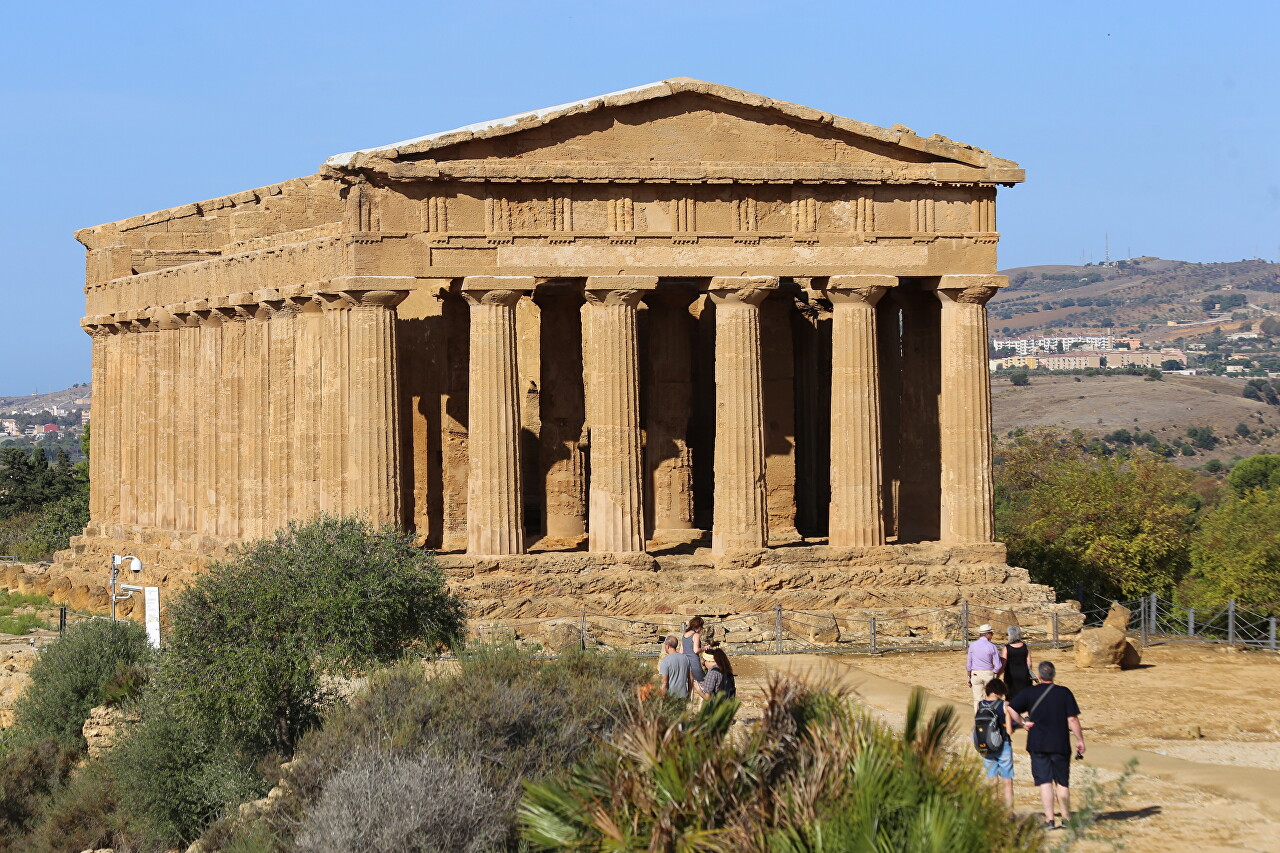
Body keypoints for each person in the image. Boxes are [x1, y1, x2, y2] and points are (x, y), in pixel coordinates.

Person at [1009, 660, 1086, 831]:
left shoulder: (1030, 692)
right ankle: (1066, 818)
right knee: (1062, 783)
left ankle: (1049, 819)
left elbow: (1012, 709)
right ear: (1053, 674)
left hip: (1038, 743)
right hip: (1060, 743)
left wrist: (1023, 723)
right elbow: (1072, 719)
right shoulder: (1064, 693)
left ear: (1040, 675)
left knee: (1045, 782)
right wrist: (1080, 740)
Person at [977, 678, 1028, 812]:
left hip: (986, 747)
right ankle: (1009, 813)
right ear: (999, 692)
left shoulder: (980, 705)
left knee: (992, 782)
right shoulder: (1004, 705)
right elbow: (1010, 730)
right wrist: (1022, 724)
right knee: (1007, 782)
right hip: (1003, 745)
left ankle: (992, 813)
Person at [966, 623, 1003, 709]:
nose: (992, 635)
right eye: (991, 634)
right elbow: (998, 665)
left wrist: (968, 676)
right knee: (991, 697)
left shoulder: (972, 645)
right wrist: (995, 673)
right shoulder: (992, 646)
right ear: (988, 634)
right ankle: (990, 716)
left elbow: (968, 664)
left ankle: (978, 718)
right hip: (988, 673)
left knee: (977, 699)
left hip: (975, 673)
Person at [1001, 625, 1035, 702]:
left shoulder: (1006, 648)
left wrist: (999, 673)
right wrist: (1029, 673)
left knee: (1010, 698)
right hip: (1023, 674)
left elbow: (1003, 663)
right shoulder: (1025, 647)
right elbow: (1029, 663)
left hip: (1010, 675)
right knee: (1025, 697)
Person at [658, 635, 693, 699]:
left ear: (667, 646)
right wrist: (690, 694)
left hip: (671, 697)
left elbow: (664, 682)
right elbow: (691, 678)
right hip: (684, 695)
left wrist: (663, 697)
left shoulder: (665, 661)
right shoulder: (686, 658)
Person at [682, 616, 706, 683]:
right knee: (702, 682)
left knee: (690, 684)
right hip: (694, 662)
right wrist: (704, 648)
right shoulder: (696, 635)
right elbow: (696, 650)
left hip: (685, 662)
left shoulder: (684, 635)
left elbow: (681, 651)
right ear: (698, 626)